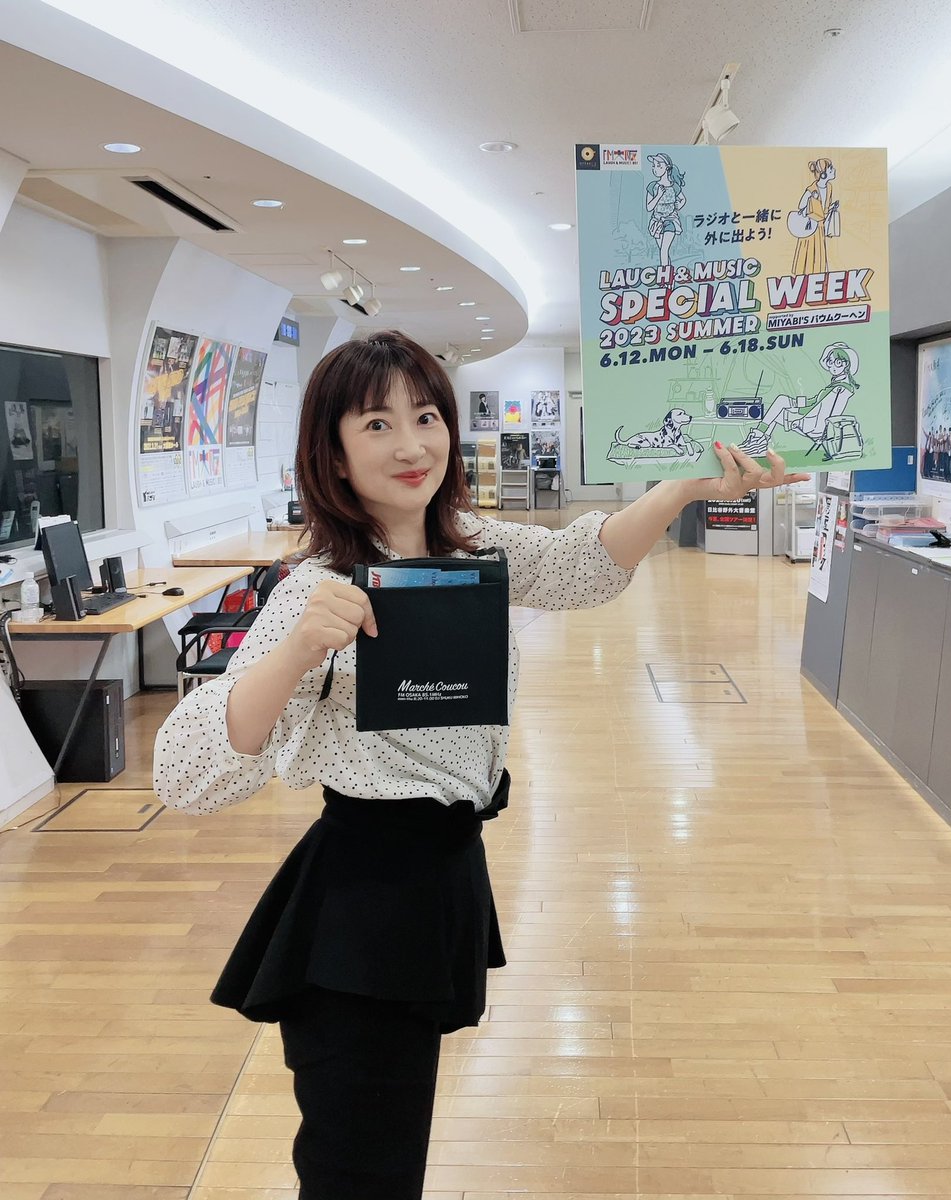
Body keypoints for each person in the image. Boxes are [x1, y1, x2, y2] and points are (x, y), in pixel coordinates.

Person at [154, 331, 806, 1198]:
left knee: (391, 1154)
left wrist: (685, 485)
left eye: (426, 417)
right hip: (360, 903)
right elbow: (184, 772)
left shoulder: (470, 550)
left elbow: (581, 566)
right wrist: (297, 649)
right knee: (360, 1170)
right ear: (333, 454)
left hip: (443, 877)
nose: (411, 445)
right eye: (377, 424)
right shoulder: (317, 586)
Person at [735, 342, 859, 458]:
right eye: (830, 362)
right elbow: (816, 402)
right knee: (781, 402)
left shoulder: (838, 388)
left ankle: (758, 440)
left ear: (846, 364)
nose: (833, 366)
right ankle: (759, 441)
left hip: (815, 425)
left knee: (775, 409)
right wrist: (796, 403)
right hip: (815, 420)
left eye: (838, 362)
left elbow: (818, 409)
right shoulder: (839, 386)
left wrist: (797, 410)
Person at [792, 158, 839, 275]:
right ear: (823, 174)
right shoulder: (812, 189)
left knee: (819, 252)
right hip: (810, 226)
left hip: (821, 226)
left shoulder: (829, 187)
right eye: (831, 169)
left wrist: (832, 207)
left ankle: (818, 274)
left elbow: (824, 208)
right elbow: (801, 206)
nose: (834, 170)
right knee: (808, 250)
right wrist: (811, 199)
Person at [645, 151, 686, 267]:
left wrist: (677, 207)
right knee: (663, 252)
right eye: (654, 166)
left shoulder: (674, 186)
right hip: (656, 221)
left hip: (670, 221)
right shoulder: (653, 186)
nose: (655, 169)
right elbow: (649, 207)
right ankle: (670, 274)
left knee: (664, 250)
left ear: (667, 168)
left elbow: (683, 199)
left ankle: (664, 275)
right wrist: (658, 195)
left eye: (659, 166)